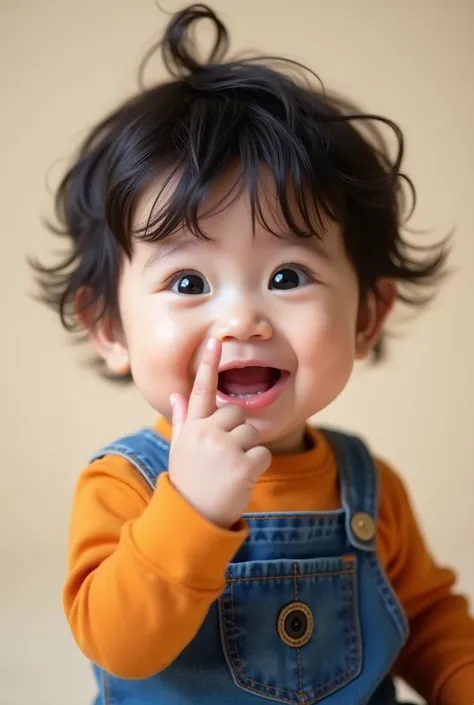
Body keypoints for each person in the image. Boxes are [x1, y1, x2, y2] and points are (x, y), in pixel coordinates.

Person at [32, 4, 474, 704]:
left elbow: (427, 619)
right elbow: (119, 645)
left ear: (368, 315)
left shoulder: (367, 487)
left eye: (287, 276)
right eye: (188, 281)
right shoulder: (125, 487)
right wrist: (191, 510)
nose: (241, 316)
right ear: (108, 326)